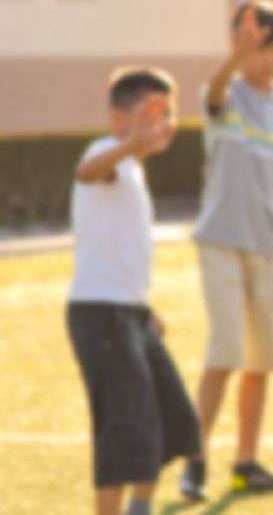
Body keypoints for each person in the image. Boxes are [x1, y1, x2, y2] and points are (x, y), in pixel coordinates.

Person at [180, 0, 273, 498]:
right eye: (259, 49)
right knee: (227, 349)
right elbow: (213, 89)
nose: (268, 59)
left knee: (261, 362)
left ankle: (247, 463)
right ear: (238, 45)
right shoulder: (223, 95)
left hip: (269, 250)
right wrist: (235, 56)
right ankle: (195, 461)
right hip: (221, 242)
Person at [67, 67, 200, 515]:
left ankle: (139, 508)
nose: (162, 123)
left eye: (168, 113)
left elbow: (117, 249)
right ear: (117, 118)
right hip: (101, 315)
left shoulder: (133, 170)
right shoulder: (107, 153)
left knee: (171, 416)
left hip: (129, 313)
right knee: (124, 428)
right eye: (150, 112)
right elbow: (85, 173)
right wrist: (129, 143)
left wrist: (145, 309)